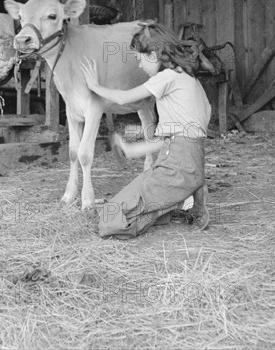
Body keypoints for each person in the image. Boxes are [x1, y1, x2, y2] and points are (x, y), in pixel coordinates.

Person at [81, 21, 211, 239]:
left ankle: (181, 200)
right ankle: (187, 199)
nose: (139, 66)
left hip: (176, 168)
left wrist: (94, 86)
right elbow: (175, 139)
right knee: (138, 208)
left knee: (109, 219)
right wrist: (131, 150)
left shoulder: (168, 77)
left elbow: (123, 98)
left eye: (139, 59)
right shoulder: (188, 80)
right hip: (188, 164)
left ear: (153, 54)